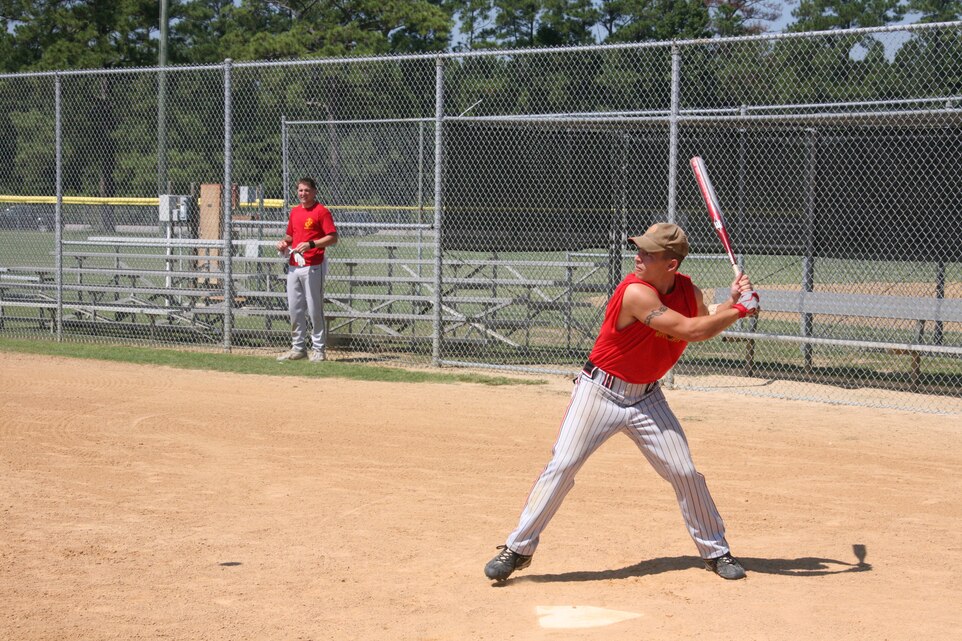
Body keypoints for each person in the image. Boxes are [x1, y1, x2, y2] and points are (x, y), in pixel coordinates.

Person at [484, 223, 759, 582]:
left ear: (671, 265)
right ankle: (518, 548)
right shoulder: (633, 292)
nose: (637, 256)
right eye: (639, 249)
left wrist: (734, 302)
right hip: (599, 393)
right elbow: (691, 331)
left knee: (685, 472)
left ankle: (716, 552)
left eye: (648, 253)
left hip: (647, 398)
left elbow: (702, 320)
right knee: (563, 464)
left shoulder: (687, 290)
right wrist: (742, 312)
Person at [275, 177, 338, 362]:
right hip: (294, 264)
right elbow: (290, 235)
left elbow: (333, 237)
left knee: (313, 308)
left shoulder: (321, 212)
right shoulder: (295, 212)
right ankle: (298, 348)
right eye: (301, 190)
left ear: (314, 192)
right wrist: (283, 244)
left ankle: (318, 349)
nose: (303, 194)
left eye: (307, 190)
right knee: (295, 308)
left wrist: (312, 244)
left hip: (313, 265)